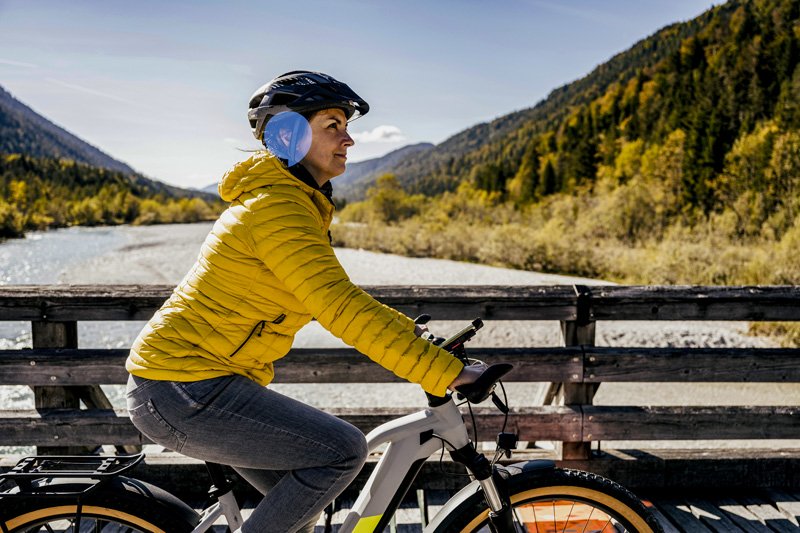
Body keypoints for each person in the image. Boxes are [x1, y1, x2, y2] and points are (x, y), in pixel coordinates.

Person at [125, 70, 485, 533]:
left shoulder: (291, 202)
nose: (349, 139)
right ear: (287, 133)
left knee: (301, 517)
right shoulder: (277, 209)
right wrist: (446, 371)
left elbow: (335, 294)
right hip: (183, 390)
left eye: (346, 125)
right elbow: (338, 305)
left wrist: (418, 340)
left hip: (199, 382)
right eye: (333, 125)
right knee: (342, 451)